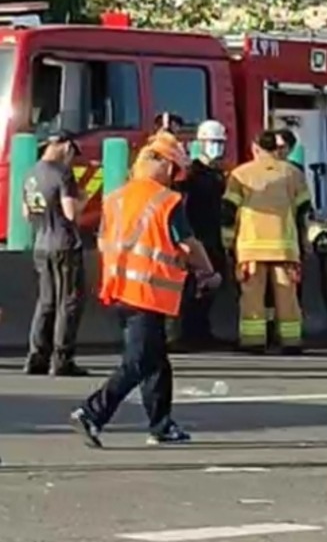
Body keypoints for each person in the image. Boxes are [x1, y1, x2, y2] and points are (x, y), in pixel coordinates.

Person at [69, 134, 222, 448]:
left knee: (155, 360)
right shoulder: (166, 201)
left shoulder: (116, 198)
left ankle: (161, 424)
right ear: (165, 165)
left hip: (118, 287)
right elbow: (188, 243)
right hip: (147, 291)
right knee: (139, 360)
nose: (175, 178)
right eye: (175, 171)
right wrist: (208, 272)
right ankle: (92, 412)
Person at [223, 131, 312, 355]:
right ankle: (291, 341)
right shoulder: (293, 173)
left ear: (255, 148)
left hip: (251, 247)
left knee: (252, 296)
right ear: (277, 148)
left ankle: (253, 341)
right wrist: (303, 240)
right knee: (287, 296)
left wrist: (228, 241)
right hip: (285, 246)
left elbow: (228, 211)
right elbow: (304, 211)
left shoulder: (240, 174)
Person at [22, 131, 88, 377]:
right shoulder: (62, 174)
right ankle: (62, 359)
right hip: (64, 244)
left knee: (46, 301)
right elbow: (71, 213)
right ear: (65, 146)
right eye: (72, 151)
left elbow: (26, 214)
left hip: (41, 243)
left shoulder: (31, 174)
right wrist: (83, 199)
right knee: (69, 302)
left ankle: (36, 356)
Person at [174, 120, 230, 349]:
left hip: (214, 237)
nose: (217, 147)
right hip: (197, 237)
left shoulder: (219, 174)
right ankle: (189, 333)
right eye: (212, 142)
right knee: (195, 288)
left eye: (220, 143)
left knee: (211, 287)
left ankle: (202, 332)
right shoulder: (193, 173)